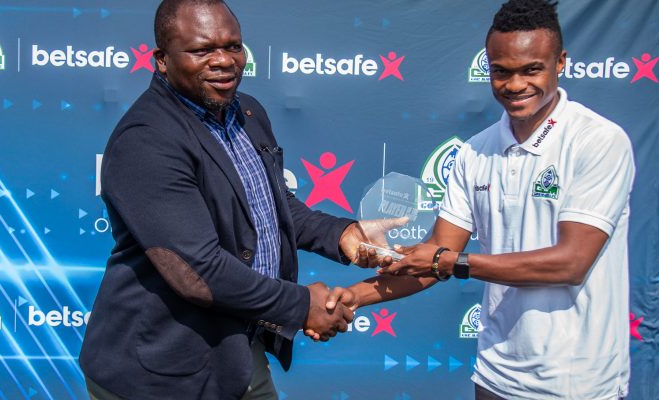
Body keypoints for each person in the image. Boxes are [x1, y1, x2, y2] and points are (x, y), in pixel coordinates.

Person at [78, 1, 399, 399]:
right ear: (162, 60)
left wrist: (342, 234)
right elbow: (198, 271)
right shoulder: (146, 140)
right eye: (201, 50)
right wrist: (301, 306)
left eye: (233, 46)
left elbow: (271, 206)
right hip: (160, 374)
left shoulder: (247, 112)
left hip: (238, 355)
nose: (223, 61)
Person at [323, 1, 635, 399]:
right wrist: (356, 295)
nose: (515, 84)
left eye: (531, 70)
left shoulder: (598, 141)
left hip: (580, 384)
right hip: (495, 377)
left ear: (560, 63)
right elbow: (436, 256)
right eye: (501, 71)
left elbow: (571, 263)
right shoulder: (475, 152)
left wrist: (449, 261)